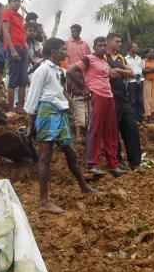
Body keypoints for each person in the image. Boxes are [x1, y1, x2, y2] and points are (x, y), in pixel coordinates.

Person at [24, 38, 101, 213]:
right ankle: (44, 202)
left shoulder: (58, 70)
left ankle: (84, 187)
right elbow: (33, 95)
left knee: (71, 153)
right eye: (62, 49)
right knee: (45, 156)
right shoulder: (43, 70)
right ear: (53, 52)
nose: (65, 52)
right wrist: (30, 121)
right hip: (47, 112)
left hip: (59, 112)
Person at [67, 33, 126, 176]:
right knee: (95, 129)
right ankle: (92, 164)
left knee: (111, 131)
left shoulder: (105, 63)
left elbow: (111, 76)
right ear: (94, 47)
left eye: (104, 45)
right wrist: (83, 88)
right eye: (99, 45)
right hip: (97, 96)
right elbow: (70, 71)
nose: (102, 48)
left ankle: (113, 165)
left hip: (109, 96)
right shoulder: (88, 59)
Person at [100, 35, 142, 170]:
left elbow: (132, 72)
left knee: (132, 129)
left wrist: (118, 70)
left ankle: (135, 163)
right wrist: (123, 72)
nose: (120, 43)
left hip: (124, 98)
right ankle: (117, 162)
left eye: (120, 40)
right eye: (117, 41)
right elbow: (109, 74)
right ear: (109, 42)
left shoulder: (120, 57)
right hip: (110, 99)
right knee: (113, 132)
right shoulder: (102, 57)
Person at [0, 0, 29, 113]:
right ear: (9, 2)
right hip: (14, 48)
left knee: (23, 79)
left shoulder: (20, 17)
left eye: (19, 0)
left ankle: (21, 107)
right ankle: (11, 109)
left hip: (23, 48)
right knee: (13, 79)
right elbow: (5, 31)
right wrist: (12, 50)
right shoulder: (6, 12)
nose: (17, 3)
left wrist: (26, 48)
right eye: (15, 1)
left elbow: (22, 34)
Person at [64, 25, 92, 141]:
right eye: (71, 31)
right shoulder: (67, 43)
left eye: (74, 31)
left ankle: (87, 131)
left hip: (82, 74)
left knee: (85, 98)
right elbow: (64, 57)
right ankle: (77, 132)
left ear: (79, 31)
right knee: (72, 98)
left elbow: (88, 59)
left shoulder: (85, 44)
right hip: (70, 73)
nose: (72, 33)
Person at [125, 42, 145, 120]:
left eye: (137, 47)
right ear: (130, 48)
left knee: (140, 99)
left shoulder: (139, 58)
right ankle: (133, 119)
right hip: (131, 81)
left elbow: (141, 69)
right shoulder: (125, 59)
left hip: (140, 80)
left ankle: (140, 118)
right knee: (132, 100)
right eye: (135, 47)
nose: (137, 48)